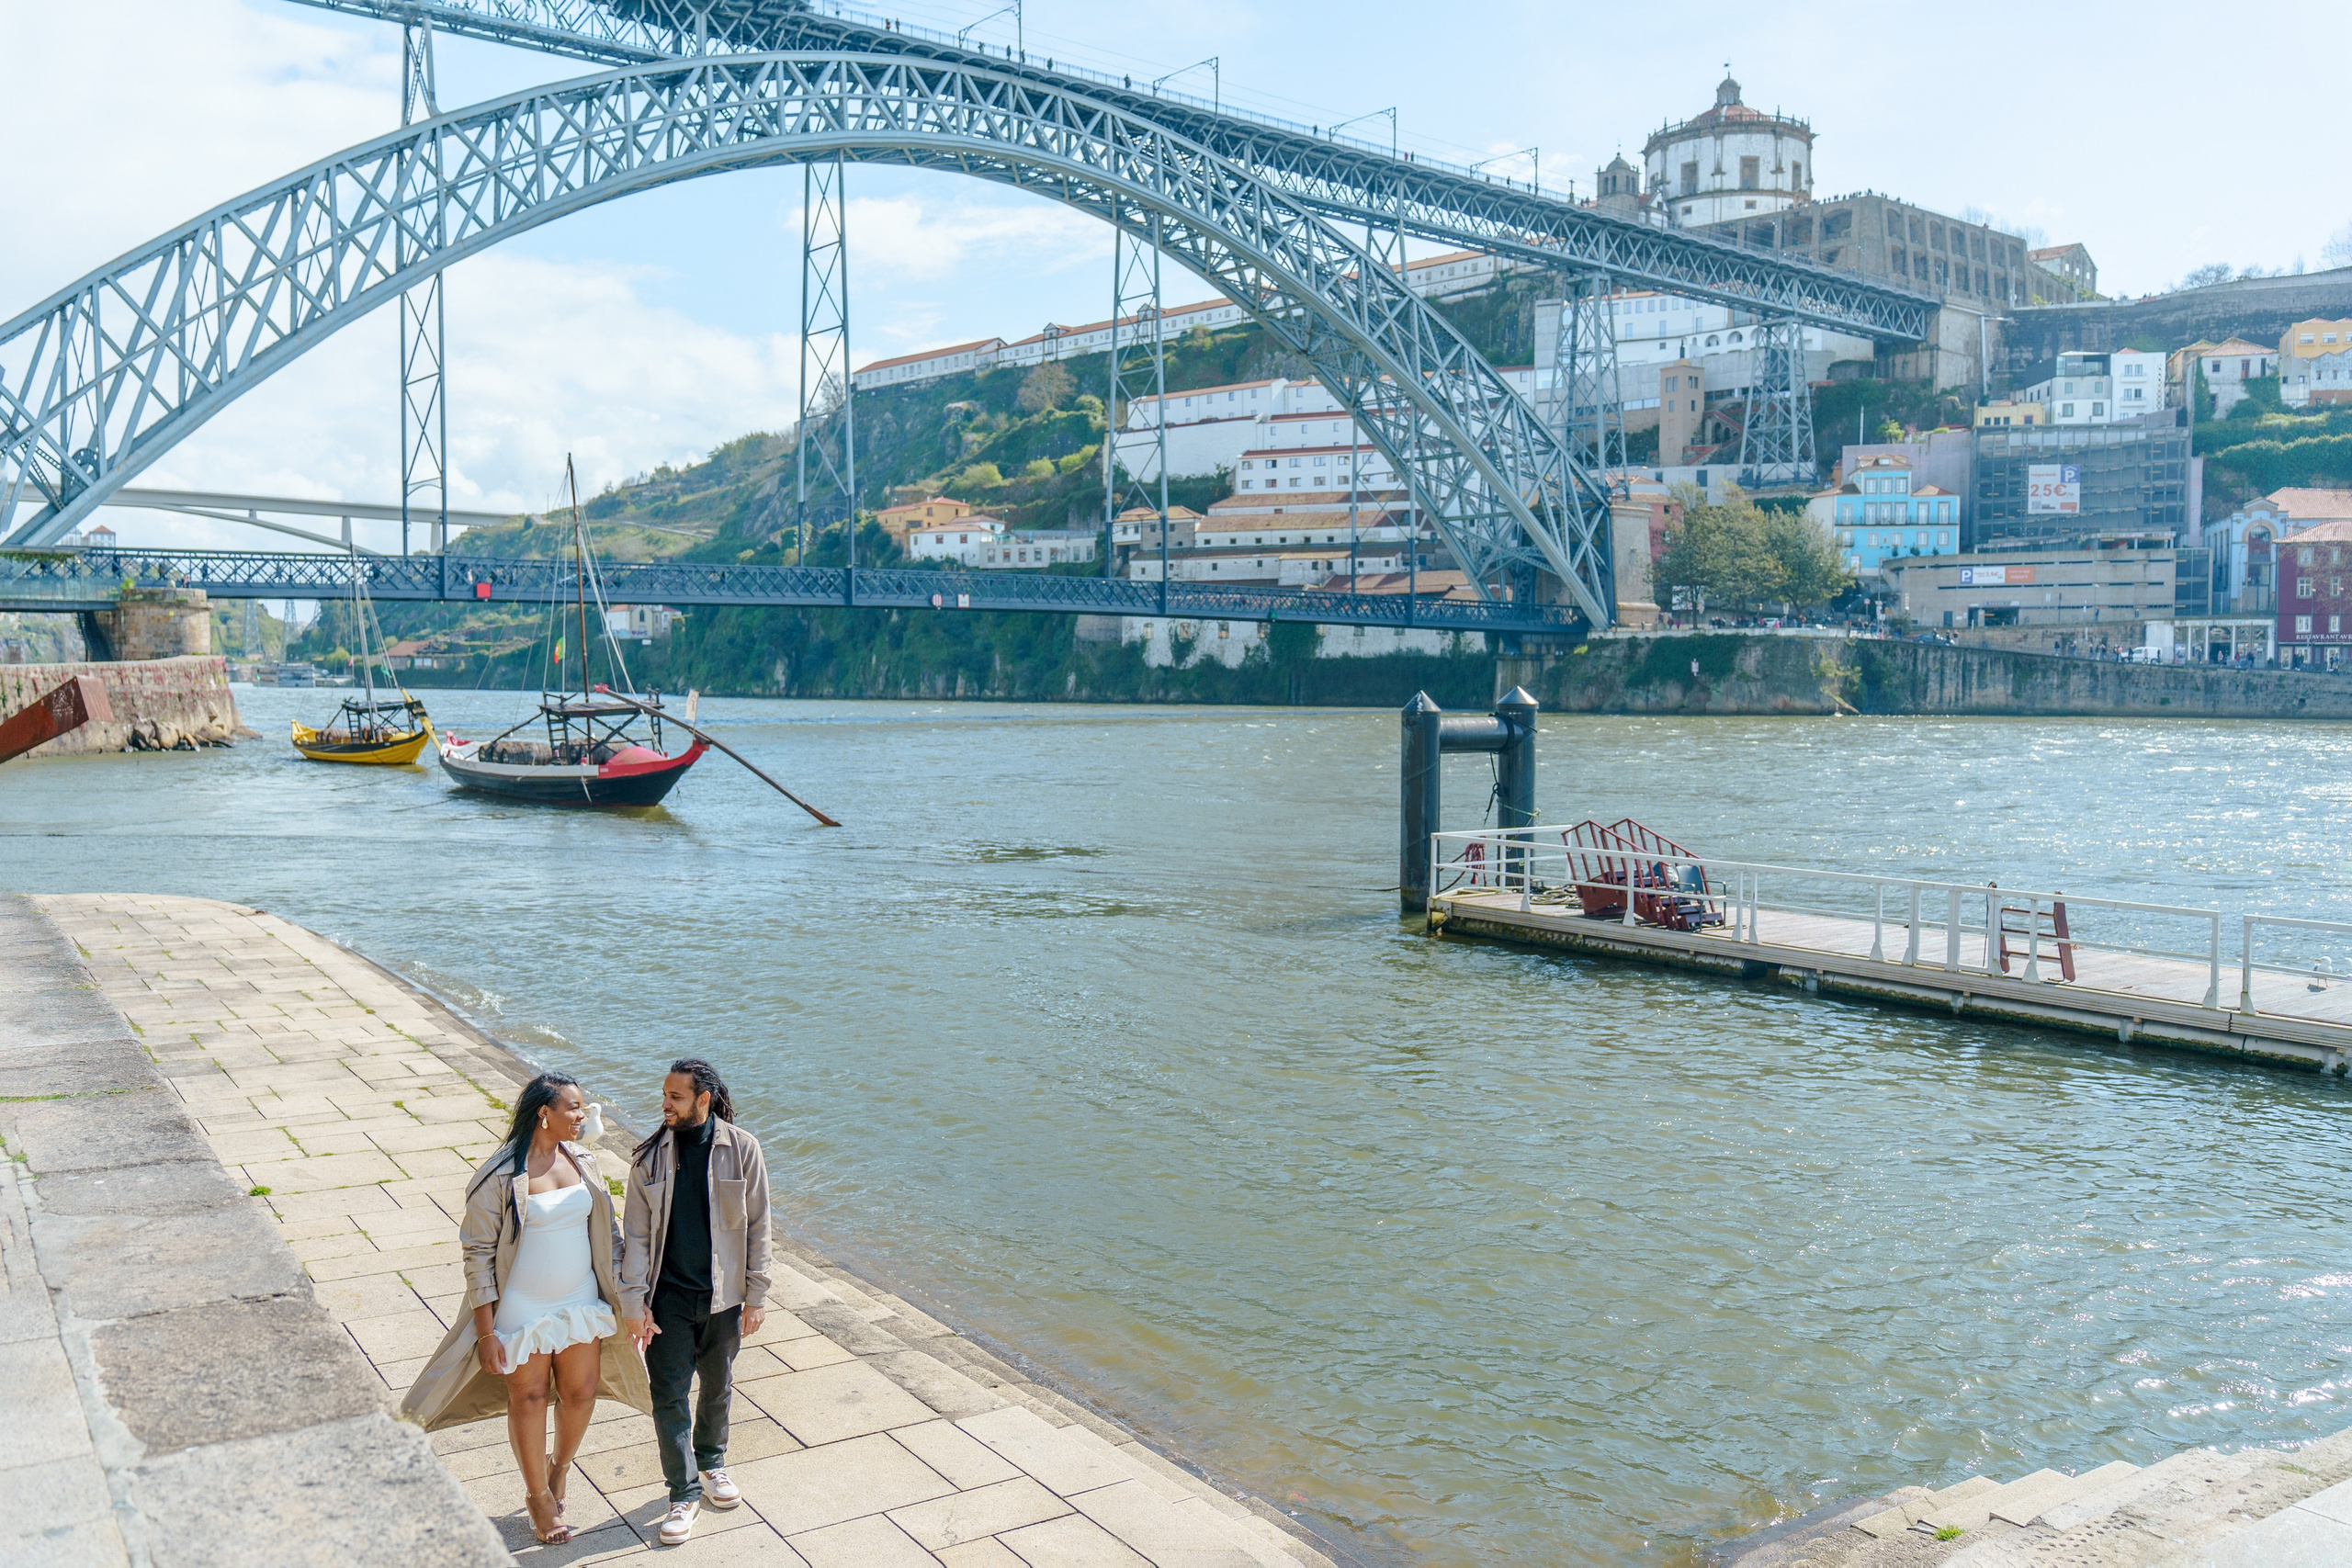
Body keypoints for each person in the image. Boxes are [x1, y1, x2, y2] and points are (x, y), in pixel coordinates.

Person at [401, 1073, 650, 1545]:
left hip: (580, 1302)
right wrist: (486, 1333)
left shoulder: (584, 1161)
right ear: (544, 1113)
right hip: (522, 1309)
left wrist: (632, 1298)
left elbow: (610, 1236)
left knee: (581, 1393)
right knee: (529, 1398)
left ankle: (559, 1470)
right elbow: (477, 1258)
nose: (583, 1116)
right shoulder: (498, 1176)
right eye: (574, 1108)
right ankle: (537, 1496)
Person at [621, 1058, 773, 1547]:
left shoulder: (742, 1149)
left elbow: (759, 1226)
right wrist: (634, 1301)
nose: (664, 1104)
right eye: (665, 1095)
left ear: (703, 1100)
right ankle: (682, 1493)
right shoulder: (648, 1159)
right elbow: (637, 1237)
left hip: (725, 1299)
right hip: (667, 1302)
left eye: (675, 1097)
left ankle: (711, 1463)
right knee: (668, 1395)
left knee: (718, 1386)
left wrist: (756, 1294)